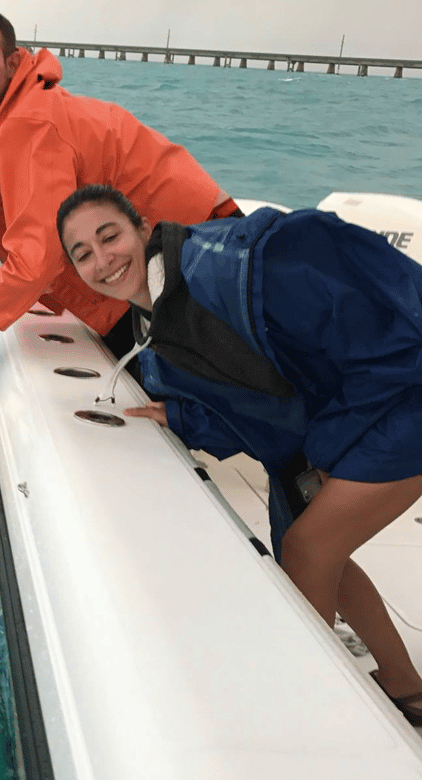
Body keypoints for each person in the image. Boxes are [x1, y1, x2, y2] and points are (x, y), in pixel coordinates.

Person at [56, 183, 422, 725]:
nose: (102, 259)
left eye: (109, 236)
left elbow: (389, 330)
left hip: (403, 396)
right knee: (315, 552)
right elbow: (255, 403)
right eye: (82, 253)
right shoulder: (157, 331)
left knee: (305, 552)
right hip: (352, 413)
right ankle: (405, 687)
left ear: (143, 228)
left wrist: (328, 450)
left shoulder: (233, 264)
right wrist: (182, 415)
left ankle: (318, 720)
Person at [0, 6, 239, 353]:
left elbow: (39, 254)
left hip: (195, 248)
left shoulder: (27, 124)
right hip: (153, 250)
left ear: (13, 63)